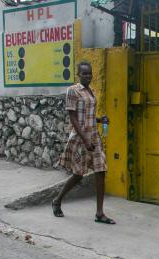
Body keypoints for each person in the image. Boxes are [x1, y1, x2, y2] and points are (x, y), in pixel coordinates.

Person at [52, 61, 115, 225]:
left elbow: (87, 116)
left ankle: (100, 213)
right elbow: (73, 117)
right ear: (78, 74)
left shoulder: (92, 91)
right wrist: (85, 139)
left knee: (101, 171)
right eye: (85, 73)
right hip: (81, 138)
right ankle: (57, 200)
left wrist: (101, 119)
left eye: (90, 73)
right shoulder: (72, 91)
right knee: (78, 175)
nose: (88, 76)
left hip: (94, 135)